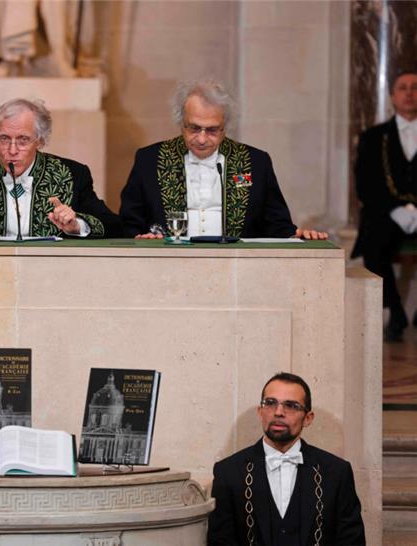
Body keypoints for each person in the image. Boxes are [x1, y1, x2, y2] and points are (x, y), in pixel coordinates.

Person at [120, 79, 327, 241]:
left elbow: (276, 223)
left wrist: (296, 236)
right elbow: (129, 222)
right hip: (166, 267)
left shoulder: (255, 163)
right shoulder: (150, 160)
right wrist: (142, 238)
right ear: (180, 122)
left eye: (211, 130)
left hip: (237, 272)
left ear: (225, 126)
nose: (201, 139)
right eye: (194, 128)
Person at [207, 372, 365, 545]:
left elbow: (352, 541)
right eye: (270, 403)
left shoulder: (337, 473)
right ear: (260, 412)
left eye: (291, 405)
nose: (278, 412)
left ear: (308, 418)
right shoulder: (228, 472)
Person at [0, 97, 121, 240]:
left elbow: (115, 226)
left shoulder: (72, 174)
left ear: (40, 140)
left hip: (53, 274)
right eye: (4, 139)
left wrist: (76, 225)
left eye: (23, 140)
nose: (12, 150)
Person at [351, 69, 417, 342]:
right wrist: (396, 210)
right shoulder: (373, 137)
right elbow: (365, 184)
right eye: (403, 87)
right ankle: (397, 313)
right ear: (392, 96)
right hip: (387, 213)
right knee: (373, 241)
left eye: (415, 87)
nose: (410, 93)